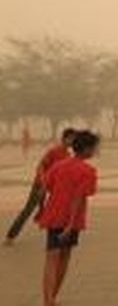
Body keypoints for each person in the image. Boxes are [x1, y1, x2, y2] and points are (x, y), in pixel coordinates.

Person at [37, 130, 99, 306]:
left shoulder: (58, 166)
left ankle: (48, 300)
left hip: (53, 216)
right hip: (70, 221)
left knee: (51, 259)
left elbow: (44, 189)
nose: (95, 151)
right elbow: (79, 198)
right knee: (64, 257)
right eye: (93, 148)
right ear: (86, 149)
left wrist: (42, 210)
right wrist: (70, 225)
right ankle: (52, 299)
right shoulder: (88, 171)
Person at [4, 128, 77, 245]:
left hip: (52, 187)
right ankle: (10, 236)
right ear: (65, 138)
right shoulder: (54, 151)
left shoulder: (68, 155)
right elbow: (41, 166)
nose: (73, 141)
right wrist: (43, 180)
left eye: (74, 139)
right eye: (72, 139)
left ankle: (57, 232)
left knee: (58, 208)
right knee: (28, 209)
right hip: (40, 184)